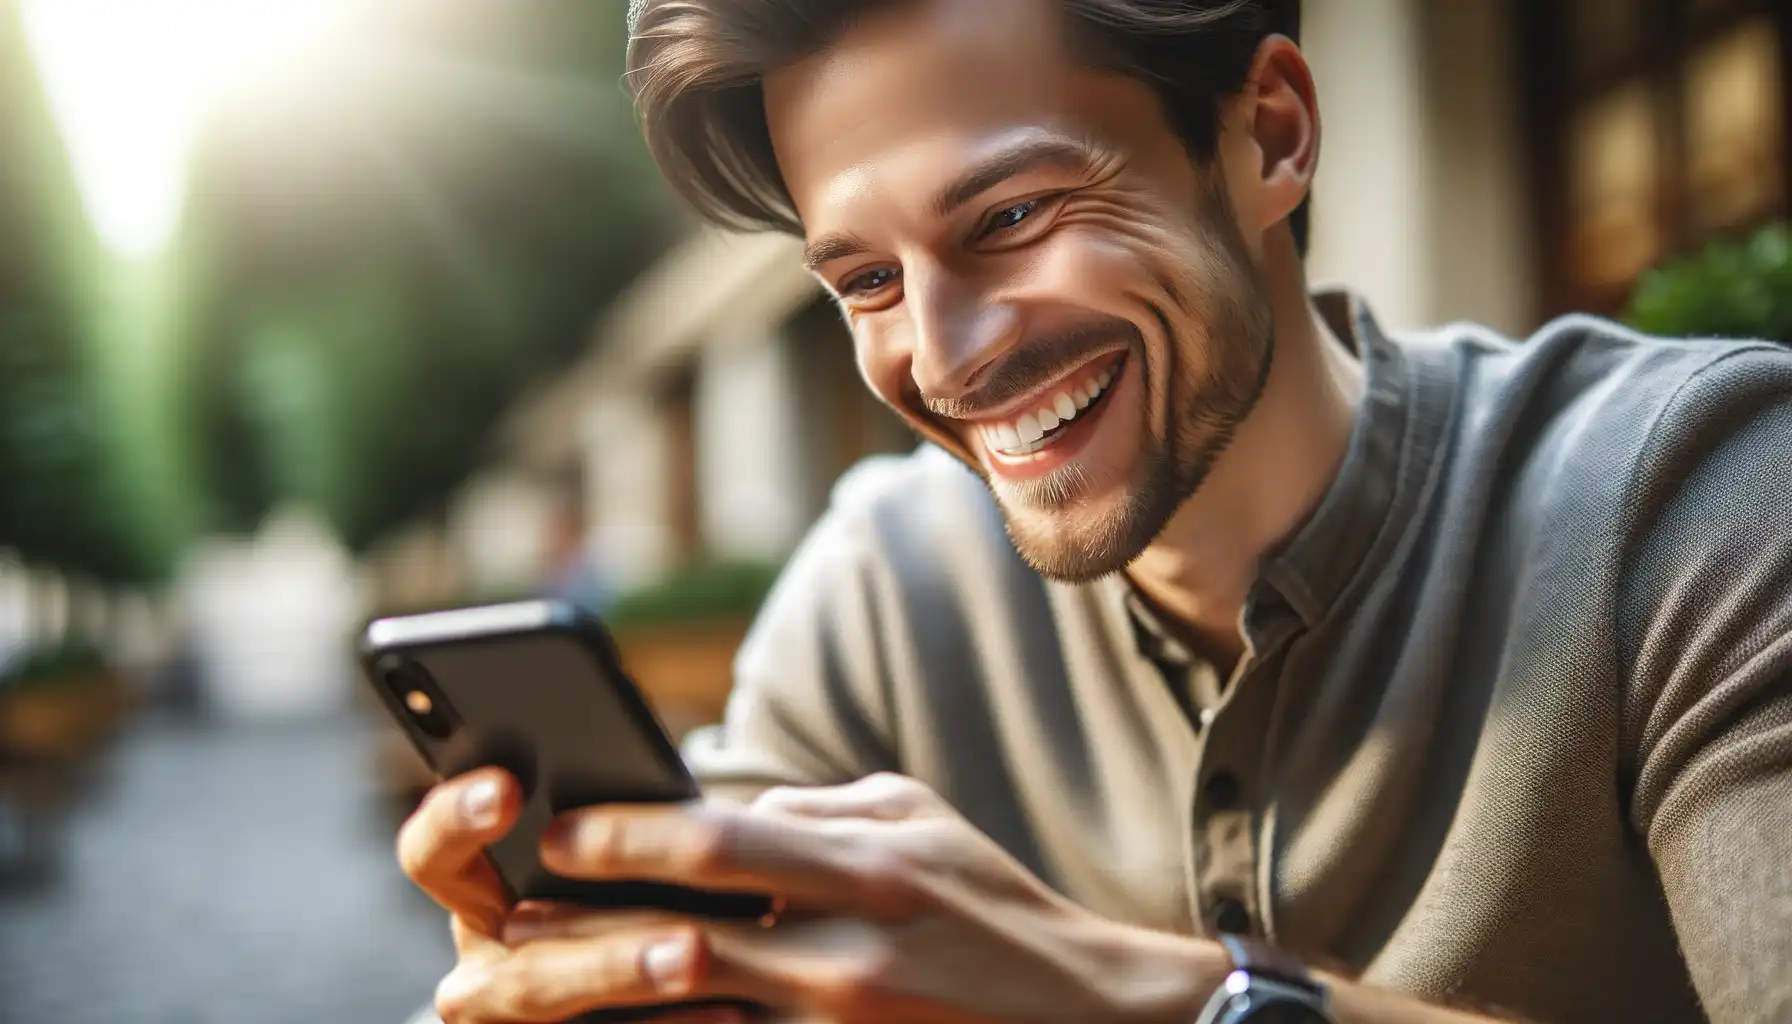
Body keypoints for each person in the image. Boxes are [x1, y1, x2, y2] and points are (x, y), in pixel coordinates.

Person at [397, 1, 1792, 1021]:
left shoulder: (1697, 498)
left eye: (1009, 218)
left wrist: (1150, 1000)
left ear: (1270, 133)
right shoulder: (882, 593)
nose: (941, 358)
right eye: (867, 283)